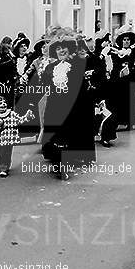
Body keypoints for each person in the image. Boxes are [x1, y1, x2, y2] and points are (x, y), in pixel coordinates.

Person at [41, 36, 92, 178]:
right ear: (54, 52)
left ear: (69, 49)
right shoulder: (50, 67)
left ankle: (65, 163)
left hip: (71, 106)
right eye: (58, 48)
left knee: (67, 134)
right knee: (56, 134)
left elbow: (80, 87)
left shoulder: (76, 65)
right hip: (54, 105)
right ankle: (58, 163)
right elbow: (45, 85)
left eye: (64, 48)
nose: (61, 50)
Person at [0, 96, 34, 178]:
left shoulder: (11, 114)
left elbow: (20, 120)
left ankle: (3, 169)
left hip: (9, 138)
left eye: (4, 102)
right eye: (0, 103)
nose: (3, 104)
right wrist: (1, 125)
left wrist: (27, 116)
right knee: (1, 153)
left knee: (6, 153)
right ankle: (6, 164)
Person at [109, 25, 135, 131]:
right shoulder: (116, 53)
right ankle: (120, 121)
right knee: (120, 101)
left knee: (131, 101)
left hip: (131, 80)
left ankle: (130, 122)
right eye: (124, 40)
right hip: (119, 81)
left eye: (128, 40)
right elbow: (113, 66)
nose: (126, 42)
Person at [20, 37, 51, 140]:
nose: (45, 49)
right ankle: (41, 132)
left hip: (52, 88)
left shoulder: (53, 60)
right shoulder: (37, 61)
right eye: (43, 47)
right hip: (40, 88)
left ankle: (46, 134)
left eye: (46, 47)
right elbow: (29, 71)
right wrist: (24, 77)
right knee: (40, 111)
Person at [0, 36, 17, 107]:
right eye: (10, 44)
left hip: (1, 79)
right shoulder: (7, 53)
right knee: (8, 99)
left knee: (1, 98)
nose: (11, 46)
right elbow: (13, 60)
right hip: (7, 79)